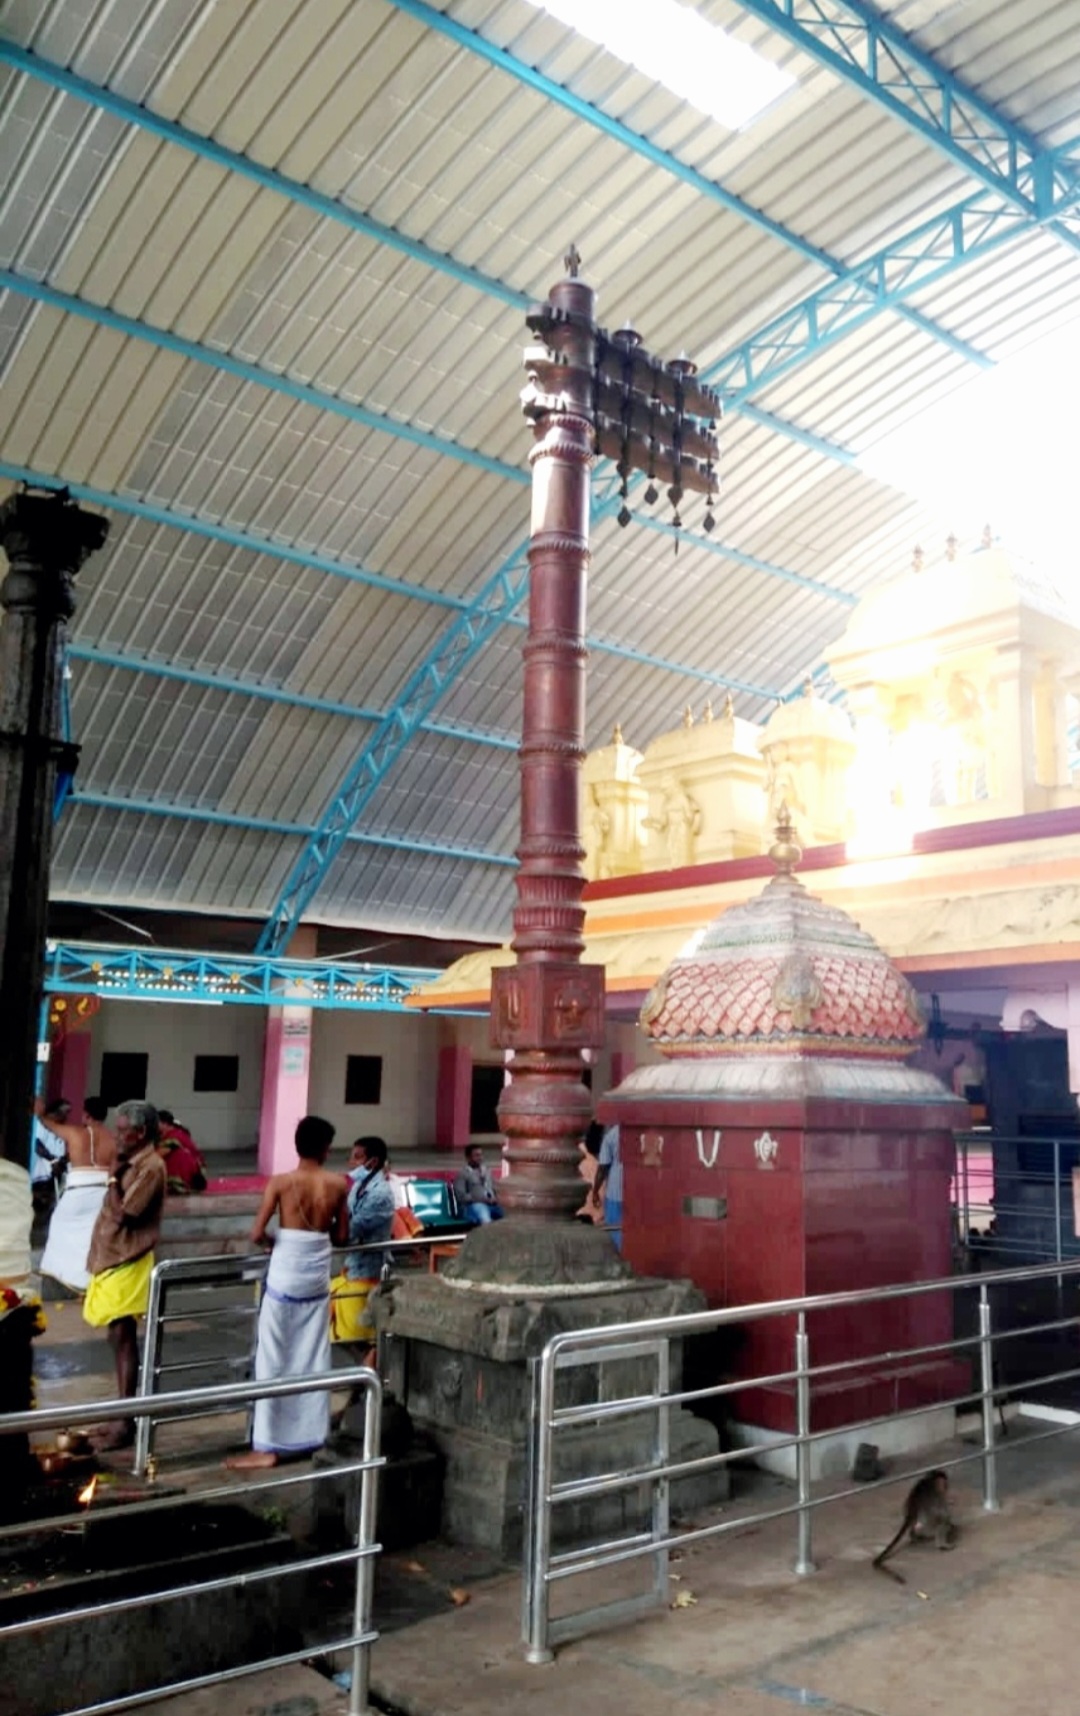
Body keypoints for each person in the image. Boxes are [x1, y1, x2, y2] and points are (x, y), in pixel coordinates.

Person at [226, 1115, 349, 1470]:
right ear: (326, 1147)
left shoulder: (281, 1182)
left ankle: (267, 1446)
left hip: (285, 1275)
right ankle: (312, 1436)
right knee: (313, 1354)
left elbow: (256, 1233)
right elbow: (342, 1237)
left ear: (297, 1145)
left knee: (273, 1358)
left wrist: (274, 1242)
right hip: (316, 1277)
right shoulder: (338, 1183)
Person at [82, 1100, 168, 1450]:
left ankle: (125, 1419)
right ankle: (121, 1413)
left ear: (141, 1132)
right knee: (117, 1339)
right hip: (111, 1257)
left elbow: (126, 1214)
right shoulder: (133, 1161)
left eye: (122, 1131)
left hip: (129, 1259)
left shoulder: (151, 1166)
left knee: (124, 1337)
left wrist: (115, 1177)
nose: (117, 1136)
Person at [39, 1095, 117, 1292]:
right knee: (90, 1237)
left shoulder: (75, 1133)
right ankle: (86, 1283)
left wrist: (39, 1112)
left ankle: (63, 1279)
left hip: (77, 1191)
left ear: (86, 1114)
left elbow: (49, 1125)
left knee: (58, 1229)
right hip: (102, 1192)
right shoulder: (114, 1139)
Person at [330, 1137, 397, 1350]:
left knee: (364, 1336)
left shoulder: (381, 1194)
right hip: (353, 1266)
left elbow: (350, 1229)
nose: (351, 1162)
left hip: (370, 1271)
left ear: (373, 1162)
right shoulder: (358, 1185)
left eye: (357, 1157)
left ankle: (370, 1377)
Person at [156, 1109, 207, 1193]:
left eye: (157, 1123)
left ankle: (178, 1184)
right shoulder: (165, 1135)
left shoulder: (176, 1135)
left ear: (164, 1123)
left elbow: (160, 1153)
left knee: (178, 1154)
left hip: (194, 1171)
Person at [590, 1123, 623, 1250]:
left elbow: (603, 1167)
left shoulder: (612, 1135)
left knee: (614, 1230)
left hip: (616, 1192)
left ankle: (619, 1259)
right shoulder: (642, 1133)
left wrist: (595, 1191)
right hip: (638, 1192)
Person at [454, 1144, 504, 1225]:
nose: (480, 1158)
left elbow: (494, 1188)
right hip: (473, 1206)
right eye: (476, 1156)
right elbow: (461, 1197)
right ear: (468, 1158)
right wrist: (480, 1199)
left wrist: (495, 1198)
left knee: (508, 1214)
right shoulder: (462, 1174)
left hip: (491, 1204)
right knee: (484, 1216)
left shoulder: (487, 1171)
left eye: (481, 1155)